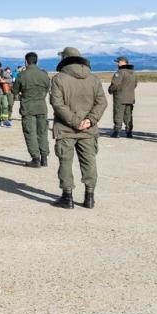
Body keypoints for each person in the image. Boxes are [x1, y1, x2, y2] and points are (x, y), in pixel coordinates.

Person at [49, 47, 107, 210]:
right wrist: (89, 120)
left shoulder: (58, 79)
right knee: (89, 162)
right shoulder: (94, 79)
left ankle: (67, 197)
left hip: (65, 128)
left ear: (65, 58)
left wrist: (75, 122)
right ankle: (90, 197)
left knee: (65, 162)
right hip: (88, 130)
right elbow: (101, 102)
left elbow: (57, 103)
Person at [12, 52, 50, 168]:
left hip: (28, 108)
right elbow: (48, 87)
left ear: (26, 61)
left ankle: (36, 159)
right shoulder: (44, 74)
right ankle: (44, 158)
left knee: (30, 133)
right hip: (42, 107)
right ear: (36, 61)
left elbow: (14, 90)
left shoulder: (22, 75)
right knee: (42, 132)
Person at [108, 56, 137, 138]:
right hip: (130, 98)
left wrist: (110, 90)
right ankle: (129, 131)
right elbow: (135, 84)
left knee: (118, 114)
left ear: (124, 62)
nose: (117, 63)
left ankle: (117, 132)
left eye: (119, 62)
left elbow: (115, 84)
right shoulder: (133, 73)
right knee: (128, 115)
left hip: (120, 97)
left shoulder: (119, 72)